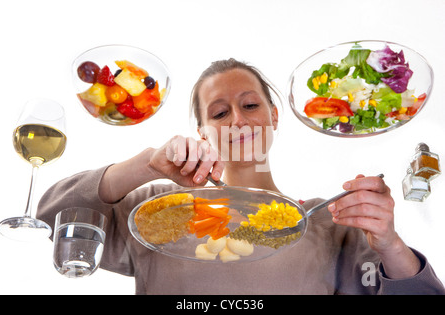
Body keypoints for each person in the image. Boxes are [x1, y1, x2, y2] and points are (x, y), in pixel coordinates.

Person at [37, 58, 445, 295]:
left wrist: (389, 243)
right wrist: (144, 164)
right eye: (218, 112)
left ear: (274, 116)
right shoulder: (159, 208)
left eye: (250, 105)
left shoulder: (329, 220)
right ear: (203, 133)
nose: (237, 119)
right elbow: (53, 218)